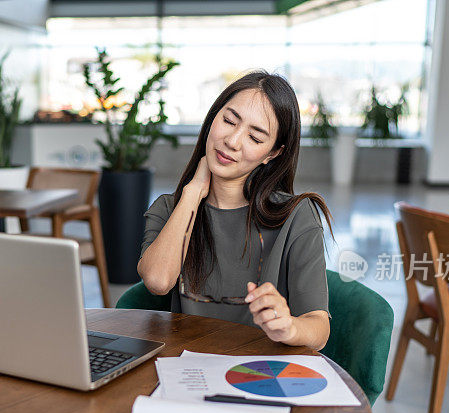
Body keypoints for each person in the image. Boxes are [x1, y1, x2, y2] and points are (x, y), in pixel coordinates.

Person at [137, 71, 333, 351]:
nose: (232, 141)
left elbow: (319, 328)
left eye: (255, 137)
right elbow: (157, 280)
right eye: (229, 121)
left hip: (260, 374)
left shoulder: (296, 216)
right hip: (188, 371)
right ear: (212, 118)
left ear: (273, 153)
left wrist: (290, 325)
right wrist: (193, 193)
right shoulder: (171, 208)